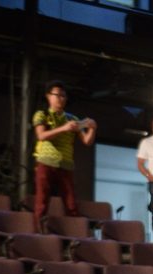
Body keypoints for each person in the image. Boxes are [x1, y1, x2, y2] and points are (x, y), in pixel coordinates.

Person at [31, 80, 97, 230]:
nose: (60, 98)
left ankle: (74, 238)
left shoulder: (72, 119)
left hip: (65, 164)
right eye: (57, 95)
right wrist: (63, 129)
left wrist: (92, 128)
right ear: (49, 96)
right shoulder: (42, 114)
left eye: (63, 96)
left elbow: (86, 141)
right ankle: (38, 235)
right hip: (45, 162)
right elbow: (41, 135)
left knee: (71, 203)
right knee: (42, 202)